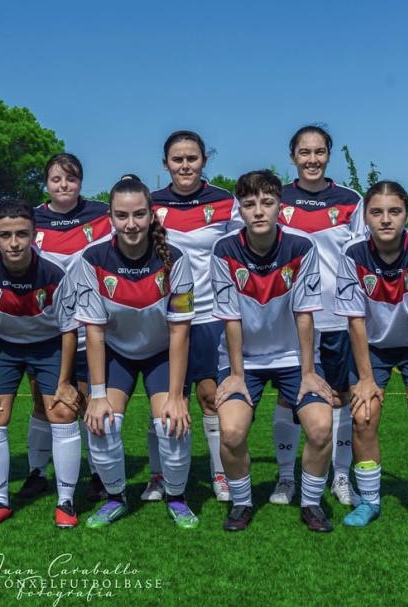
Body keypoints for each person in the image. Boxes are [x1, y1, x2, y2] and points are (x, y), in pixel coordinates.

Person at [211, 170, 334, 532]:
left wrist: (309, 372)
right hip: (243, 361)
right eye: (249, 204)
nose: (259, 211)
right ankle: (242, 502)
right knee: (231, 433)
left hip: (294, 358)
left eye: (267, 202)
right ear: (240, 209)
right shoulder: (226, 249)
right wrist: (235, 375)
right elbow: (230, 318)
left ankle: (311, 503)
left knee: (321, 427)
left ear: (280, 205)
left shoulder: (301, 246)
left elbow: (305, 312)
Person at [76, 178, 198, 529]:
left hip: (162, 353)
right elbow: (94, 331)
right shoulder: (93, 259)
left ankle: (176, 497)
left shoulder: (176, 259)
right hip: (117, 354)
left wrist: (176, 396)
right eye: (122, 215)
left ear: (152, 215)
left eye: (139, 214)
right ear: (110, 218)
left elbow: (180, 331)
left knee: (171, 422)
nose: (131, 224)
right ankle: (115, 498)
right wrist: (97, 396)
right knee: (102, 422)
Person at [0, 200, 81, 527]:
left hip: (48, 343)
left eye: (21, 234)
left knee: (63, 409)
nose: (14, 243)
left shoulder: (55, 271)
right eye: (6, 235)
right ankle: (0, 500)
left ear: (35, 235)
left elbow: (70, 329)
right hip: (5, 345)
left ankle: (66, 501)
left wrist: (65, 382)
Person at [334, 181, 408, 531]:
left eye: (394, 212)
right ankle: (369, 501)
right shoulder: (352, 254)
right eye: (376, 212)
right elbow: (355, 321)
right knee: (364, 415)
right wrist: (365, 379)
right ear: (365, 217)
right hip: (372, 346)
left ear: (406, 215)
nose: (385, 220)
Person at [270, 125, 364, 507]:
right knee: (288, 400)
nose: (312, 159)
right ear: (292, 156)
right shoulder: (278, 199)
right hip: (291, 319)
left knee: (339, 397)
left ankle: (340, 477)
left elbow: (360, 260)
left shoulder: (350, 200)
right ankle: (285, 478)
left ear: (329, 155)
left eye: (319, 152)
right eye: (304, 152)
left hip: (337, 318)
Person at [147, 130, 242, 503]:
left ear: (204, 161)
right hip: (161, 317)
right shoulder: (150, 204)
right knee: (164, 398)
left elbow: (238, 253)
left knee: (207, 396)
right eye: (177, 159)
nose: (185, 165)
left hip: (207, 315)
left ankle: (221, 474)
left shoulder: (225, 202)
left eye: (192, 158)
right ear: (165, 164)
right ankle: (160, 475)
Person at [19, 153, 113, 503]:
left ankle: (98, 473)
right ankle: (36, 471)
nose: (63, 185)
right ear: (46, 183)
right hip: (45, 326)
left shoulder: (101, 215)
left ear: (80, 183)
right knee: (43, 401)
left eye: (70, 179)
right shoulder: (34, 219)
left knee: (89, 397)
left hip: (89, 323)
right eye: (56, 179)